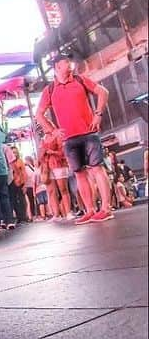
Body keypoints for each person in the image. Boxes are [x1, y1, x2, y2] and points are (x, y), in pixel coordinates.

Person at [35, 53, 114, 225]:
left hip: (89, 133)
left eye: (69, 62)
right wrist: (52, 131)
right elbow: (39, 114)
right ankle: (90, 210)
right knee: (79, 174)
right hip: (69, 140)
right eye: (65, 63)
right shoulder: (50, 90)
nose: (69, 65)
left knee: (97, 169)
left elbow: (103, 92)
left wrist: (98, 114)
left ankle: (106, 208)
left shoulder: (80, 80)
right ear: (57, 67)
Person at [40, 131, 73, 220]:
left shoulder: (58, 135)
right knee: (51, 191)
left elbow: (63, 153)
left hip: (59, 164)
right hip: (48, 167)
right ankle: (56, 214)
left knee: (63, 189)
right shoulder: (43, 139)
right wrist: (43, 153)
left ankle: (68, 212)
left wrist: (52, 152)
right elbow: (40, 156)